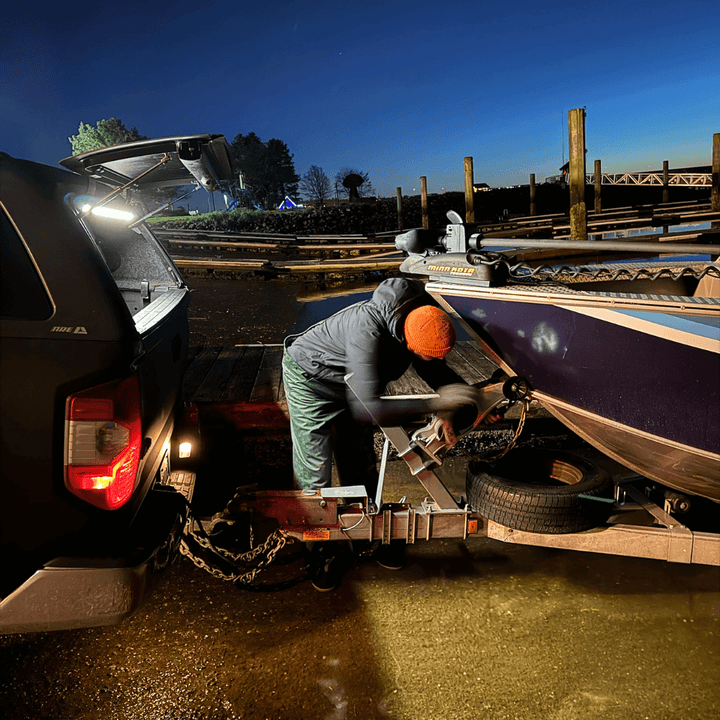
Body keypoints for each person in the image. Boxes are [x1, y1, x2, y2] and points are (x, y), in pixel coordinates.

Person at [281, 277, 478, 590]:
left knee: (360, 462)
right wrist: (437, 402)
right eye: (427, 355)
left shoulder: (423, 317)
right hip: (311, 377)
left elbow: (439, 373)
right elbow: (367, 409)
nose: (435, 361)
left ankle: (366, 536)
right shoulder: (367, 331)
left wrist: (453, 409)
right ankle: (319, 550)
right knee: (315, 470)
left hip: (354, 381)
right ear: (409, 343)